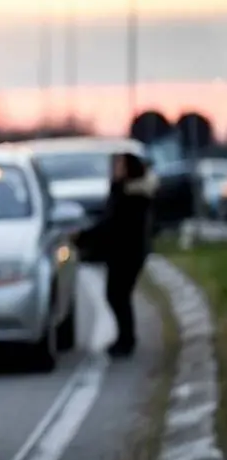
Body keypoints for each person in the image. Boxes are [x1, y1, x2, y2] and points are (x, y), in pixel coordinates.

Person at [74, 152, 157, 358]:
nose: (115, 169)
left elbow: (113, 224)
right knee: (118, 295)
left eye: (119, 165)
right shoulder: (122, 190)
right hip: (120, 251)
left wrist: (84, 237)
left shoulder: (133, 195)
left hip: (128, 252)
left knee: (117, 295)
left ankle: (126, 341)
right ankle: (124, 338)